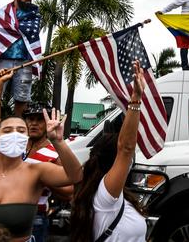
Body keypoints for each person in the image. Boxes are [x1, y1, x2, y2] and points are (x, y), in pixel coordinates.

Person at [0, 108, 82, 241]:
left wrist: (58, 142)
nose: (15, 135)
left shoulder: (37, 172)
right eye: (7, 131)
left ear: (26, 139)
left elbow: (75, 176)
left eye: (21, 131)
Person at [0, 70, 72, 242]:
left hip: (33, 219)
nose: (33, 123)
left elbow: (70, 191)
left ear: (48, 123)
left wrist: (42, 178)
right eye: (30, 119)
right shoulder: (15, 142)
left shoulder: (55, 152)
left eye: (39, 119)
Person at [71, 60, 148, 242]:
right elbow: (126, 148)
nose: (129, 160)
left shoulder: (110, 194)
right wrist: (136, 98)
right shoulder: (106, 196)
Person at [0, 0, 41, 116]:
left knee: (22, 99)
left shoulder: (34, 15)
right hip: (2, 60)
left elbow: (32, 34)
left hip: (24, 62)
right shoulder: (0, 14)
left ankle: (18, 131)